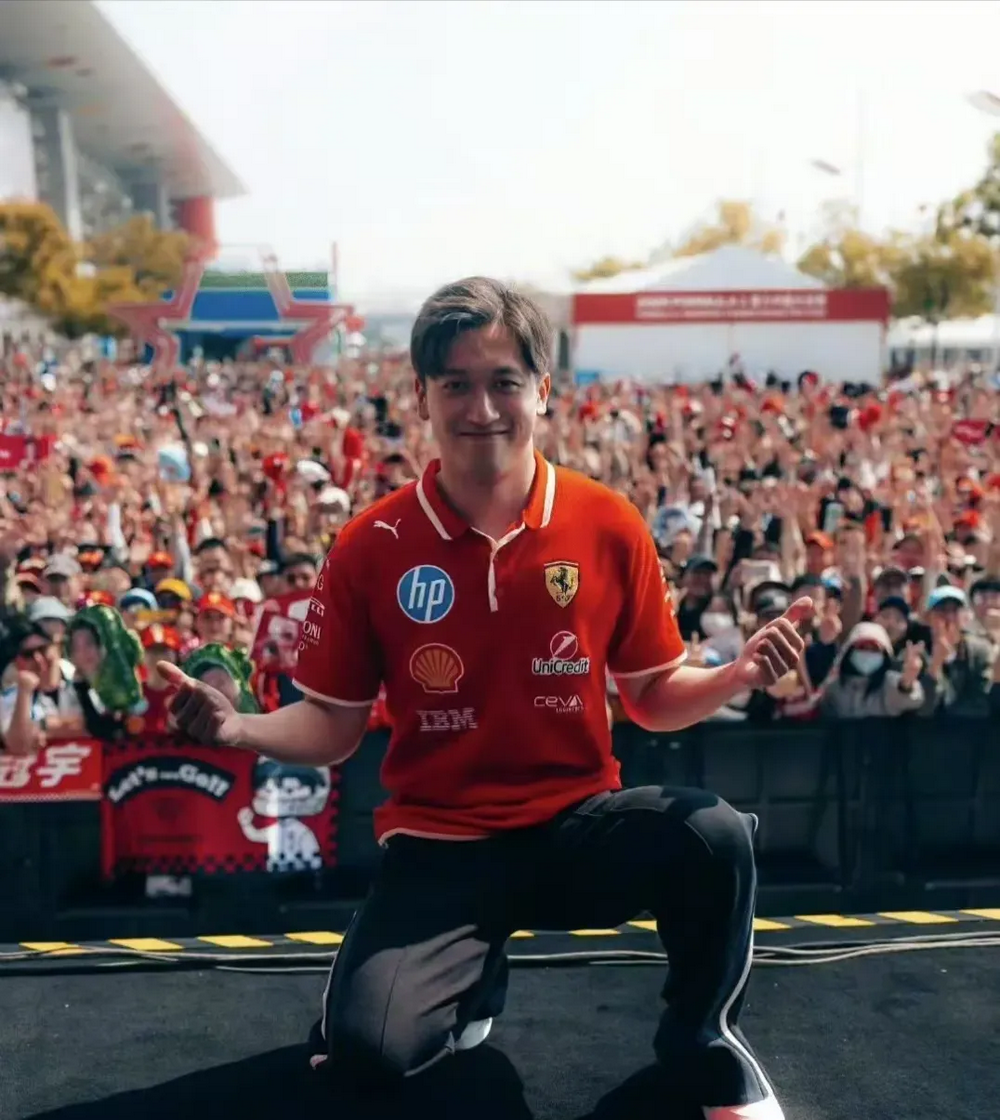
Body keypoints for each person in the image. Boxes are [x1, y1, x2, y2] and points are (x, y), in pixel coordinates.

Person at [161, 277, 811, 1120]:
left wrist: (736, 677)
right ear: (421, 396)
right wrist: (240, 726)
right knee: (368, 1055)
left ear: (542, 389)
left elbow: (651, 696)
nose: (482, 408)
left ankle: (706, 1046)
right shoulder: (370, 544)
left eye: (504, 381)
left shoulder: (608, 522)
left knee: (711, 834)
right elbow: (332, 725)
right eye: (456, 384)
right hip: (441, 845)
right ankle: (469, 979)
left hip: (575, 828)